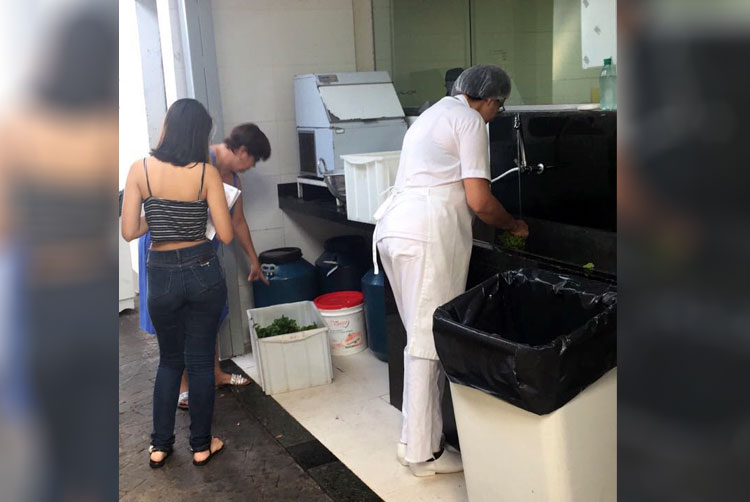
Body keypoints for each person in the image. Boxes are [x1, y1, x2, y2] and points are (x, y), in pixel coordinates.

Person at [373, 65, 529, 477]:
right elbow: (479, 199)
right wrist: (513, 225)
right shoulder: (470, 121)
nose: (496, 114)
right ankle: (423, 454)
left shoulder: (432, 113)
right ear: (491, 100)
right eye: (500, 106)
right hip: (423, 233)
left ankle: (414, 439)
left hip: (393, 230)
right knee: (427, 343)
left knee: (418, 339)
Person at [121, 98, 234, 467]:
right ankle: (201, 445)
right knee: (201, 363)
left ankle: (159, 445)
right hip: (202, 269)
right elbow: (227, 235)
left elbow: (128, 231)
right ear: (200, 134)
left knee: (169, 362)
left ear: (168, 127)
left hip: (162, 271)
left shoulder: (140, 170)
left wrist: (162, 216)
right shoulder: (207, 173)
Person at [176, 123, 272, 409]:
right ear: (243, 151)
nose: (251, 166)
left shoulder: (234, 180)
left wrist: (253, 259)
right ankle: (183, 388)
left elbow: (237, 221)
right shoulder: (200, 159)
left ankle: (215, 373)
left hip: (206, 250)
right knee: (181, 317)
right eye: (253, 160)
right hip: (178, 249)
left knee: (210, 312)